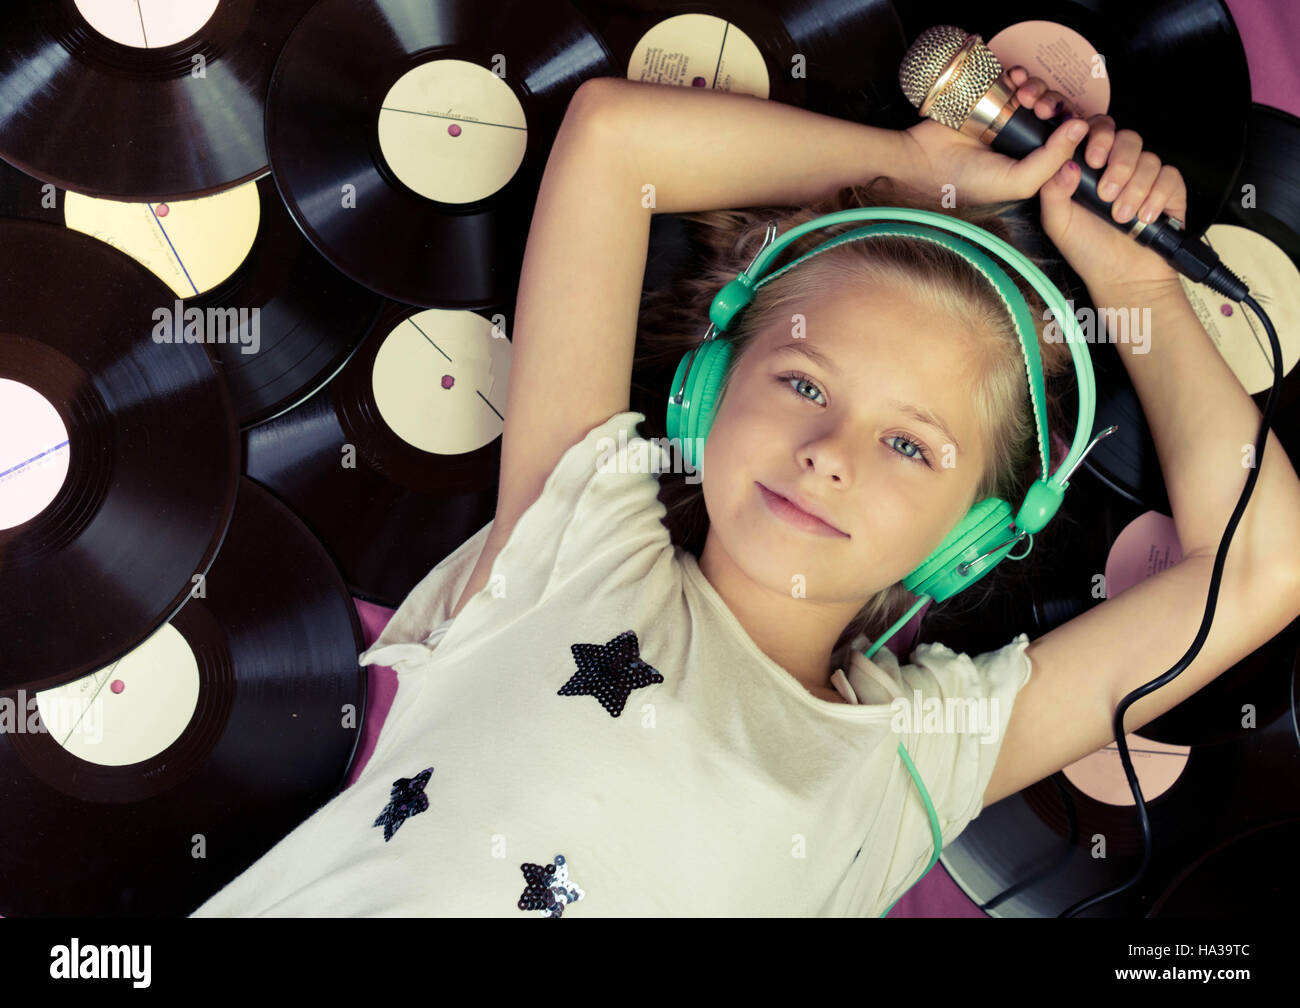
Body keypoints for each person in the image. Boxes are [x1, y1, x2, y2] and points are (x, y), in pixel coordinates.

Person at [190, 70, 1300, 918]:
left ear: (977, 535)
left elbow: (1265, 569)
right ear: (706, 394)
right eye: (806, 381)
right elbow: (614, 139)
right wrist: (924, 171)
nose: (829, 452)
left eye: (911, 447)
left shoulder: (926, 751)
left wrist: (1135, 280)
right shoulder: (576, 541)